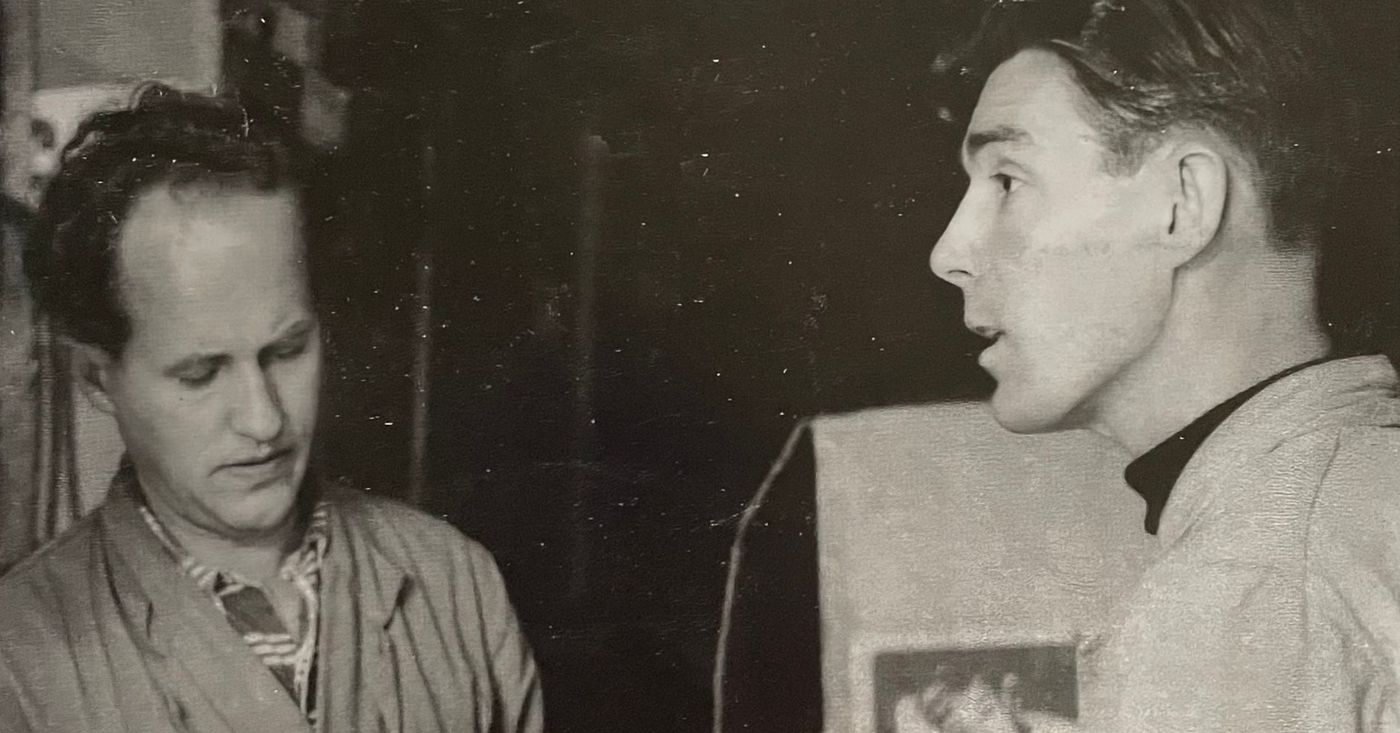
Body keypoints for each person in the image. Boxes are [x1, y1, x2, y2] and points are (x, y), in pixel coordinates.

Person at [0, 84, 544, 732]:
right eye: (201, 374)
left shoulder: (457, 586)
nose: (264, 421)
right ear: (96, 377)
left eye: (287, 350)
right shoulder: (18, 659)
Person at [923, 0, 1400, 730]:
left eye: (1007, 181)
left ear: (1184, 202)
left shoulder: (1249, 586)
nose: (949, 253)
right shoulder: (1351, 500)